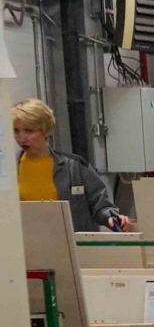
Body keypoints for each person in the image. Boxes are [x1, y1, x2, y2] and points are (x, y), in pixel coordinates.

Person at [11, 98, 135, 232]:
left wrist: (112, 217)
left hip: (69, 241)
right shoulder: (10, 170)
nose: (21, 138)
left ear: (46, 131)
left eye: (28, 131)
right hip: (26, 241)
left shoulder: (74, 166)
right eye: (16, 131)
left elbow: (100, 204)